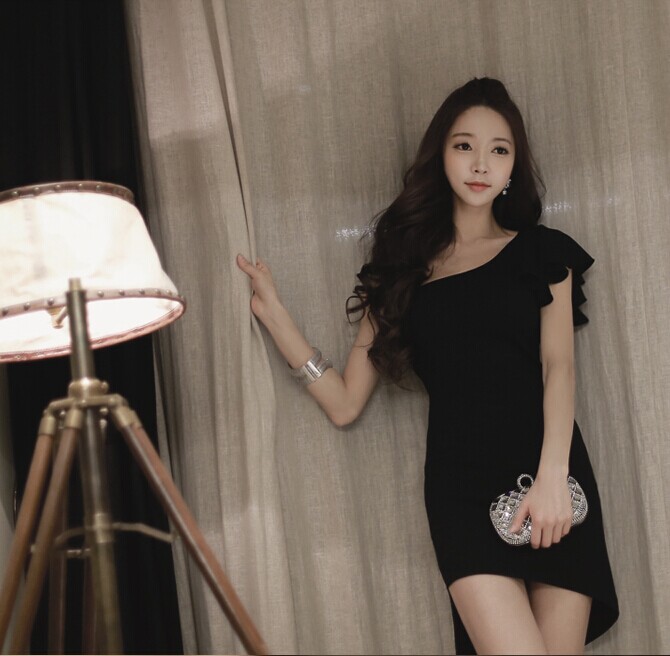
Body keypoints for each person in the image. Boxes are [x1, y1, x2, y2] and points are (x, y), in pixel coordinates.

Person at [236, 77, 619, 655]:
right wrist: (276, 318)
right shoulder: (403, 273)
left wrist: (551, 480)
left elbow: (558, 368)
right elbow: (344, 403)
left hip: (554, 479)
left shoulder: (544, 252)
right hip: (461, 493)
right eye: (465, 145)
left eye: (499, 149)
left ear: (513, 167)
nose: (481, 163)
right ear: (440, 156)